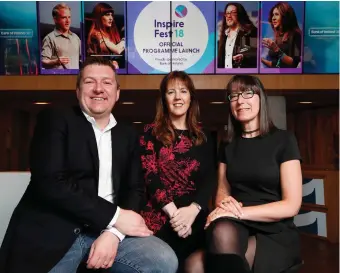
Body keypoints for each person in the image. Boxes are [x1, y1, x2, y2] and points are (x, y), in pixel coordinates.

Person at [0, 57, 178, 273]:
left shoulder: (128, 134)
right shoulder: (55, 119)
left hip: (106, 229)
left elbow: (135, 189)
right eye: (89, 82)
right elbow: (50, 182)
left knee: (162, 260)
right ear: (78, 91)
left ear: (117, 93)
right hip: (56, 229)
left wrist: (114, 233)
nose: (98, 89)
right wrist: (116, 216)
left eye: (106, 82)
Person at [204, 75, 303, 273]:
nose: (240, 101)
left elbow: (291, 205)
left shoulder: (284, 140)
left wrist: (239, 213)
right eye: (233, 96)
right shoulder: (228, 145)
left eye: (248, 93)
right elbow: (222, 193)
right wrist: (224, 207)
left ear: (261, 98)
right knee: (195, 263)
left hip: (275, 230)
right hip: (237, 225)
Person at [139, 71, 216, 272]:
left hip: (195, 219)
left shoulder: (204, 136)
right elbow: (150, 175)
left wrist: (192, 211)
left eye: (183, 91)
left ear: (191, 97)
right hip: (159, 220)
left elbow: (210, 178)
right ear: (164, 99)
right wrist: (176, 216)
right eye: (171, 92)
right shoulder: (150, 132)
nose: (177, 97)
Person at [261, 2, 302, 68]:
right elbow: (277, 64)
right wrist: (260, 60)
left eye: (276, 14)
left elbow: (293, 63)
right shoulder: (278, 36)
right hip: (275, 76)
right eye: (272, 15)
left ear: (285, 16)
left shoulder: (296, 35)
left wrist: (276, 49)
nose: (273, 18)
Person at [217, 3, 258, 69]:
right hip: (224, 75)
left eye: (233, 13)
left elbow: (255, 54)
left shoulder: (250, 32)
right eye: (227, 13)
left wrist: (243, 57)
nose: (229, 16)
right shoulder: (223, 36)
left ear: (240, 14)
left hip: (242, 74)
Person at [41, 3, 81, 70]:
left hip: (75, 78)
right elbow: (43, 62)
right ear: (55, 20)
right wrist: (56, 61)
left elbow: (82, 59)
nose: (68, 21)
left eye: (69, 17)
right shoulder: (49, 38)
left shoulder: (76, 37)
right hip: (58, 79)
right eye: (64, 17)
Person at [86, 3, 125, 68]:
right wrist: (125, 37)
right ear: (99, 17)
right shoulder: (96, 34)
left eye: (111, 15)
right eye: (107, 15)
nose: (111, 18)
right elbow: (118, 50)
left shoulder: (108, 33)